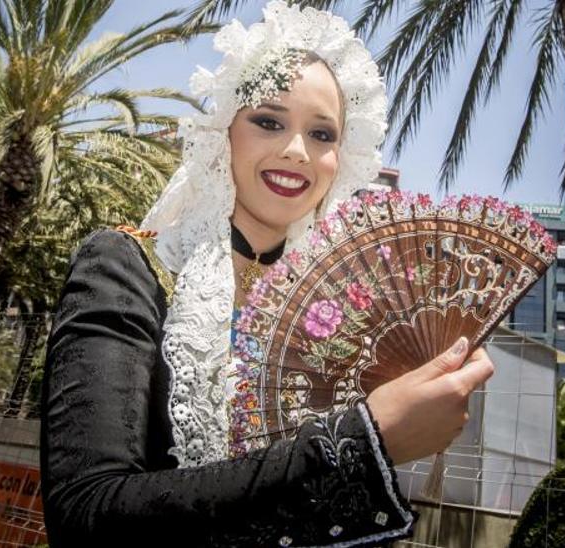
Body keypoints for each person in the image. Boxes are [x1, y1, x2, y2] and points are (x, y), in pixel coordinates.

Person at [39, 3, 494, 546]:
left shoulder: (340, 322)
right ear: (222, 131)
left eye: (323, 134)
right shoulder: (127, 268)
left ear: (342, 160)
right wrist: (359, 439)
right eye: (269, 121)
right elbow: (86, 513)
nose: (298, 151)